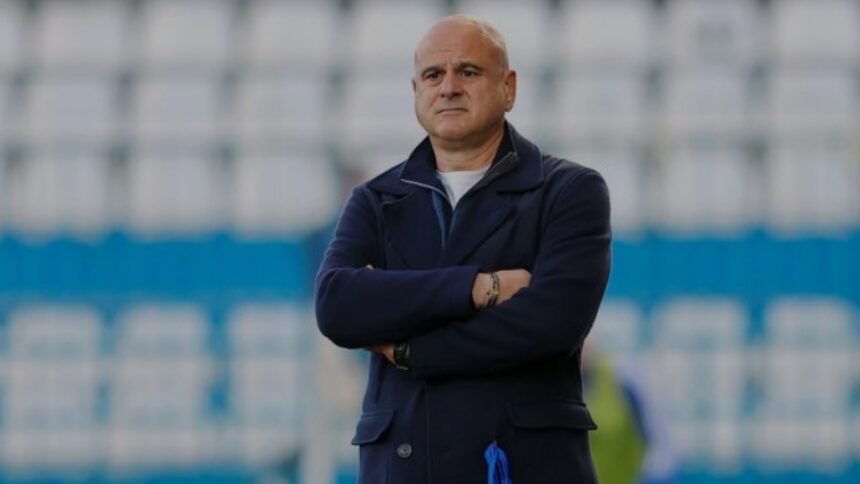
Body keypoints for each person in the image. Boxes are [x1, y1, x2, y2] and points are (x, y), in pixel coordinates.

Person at [315, 14, 611, 484]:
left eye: (468, 71)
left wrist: (410, 348)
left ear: (509, 88)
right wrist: (478, 288)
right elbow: (337, 306)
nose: (448, 87)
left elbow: (548, 324)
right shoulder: (374, 199)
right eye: (433, 75)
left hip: (521, 468)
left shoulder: (569, 191)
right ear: (416, 90)